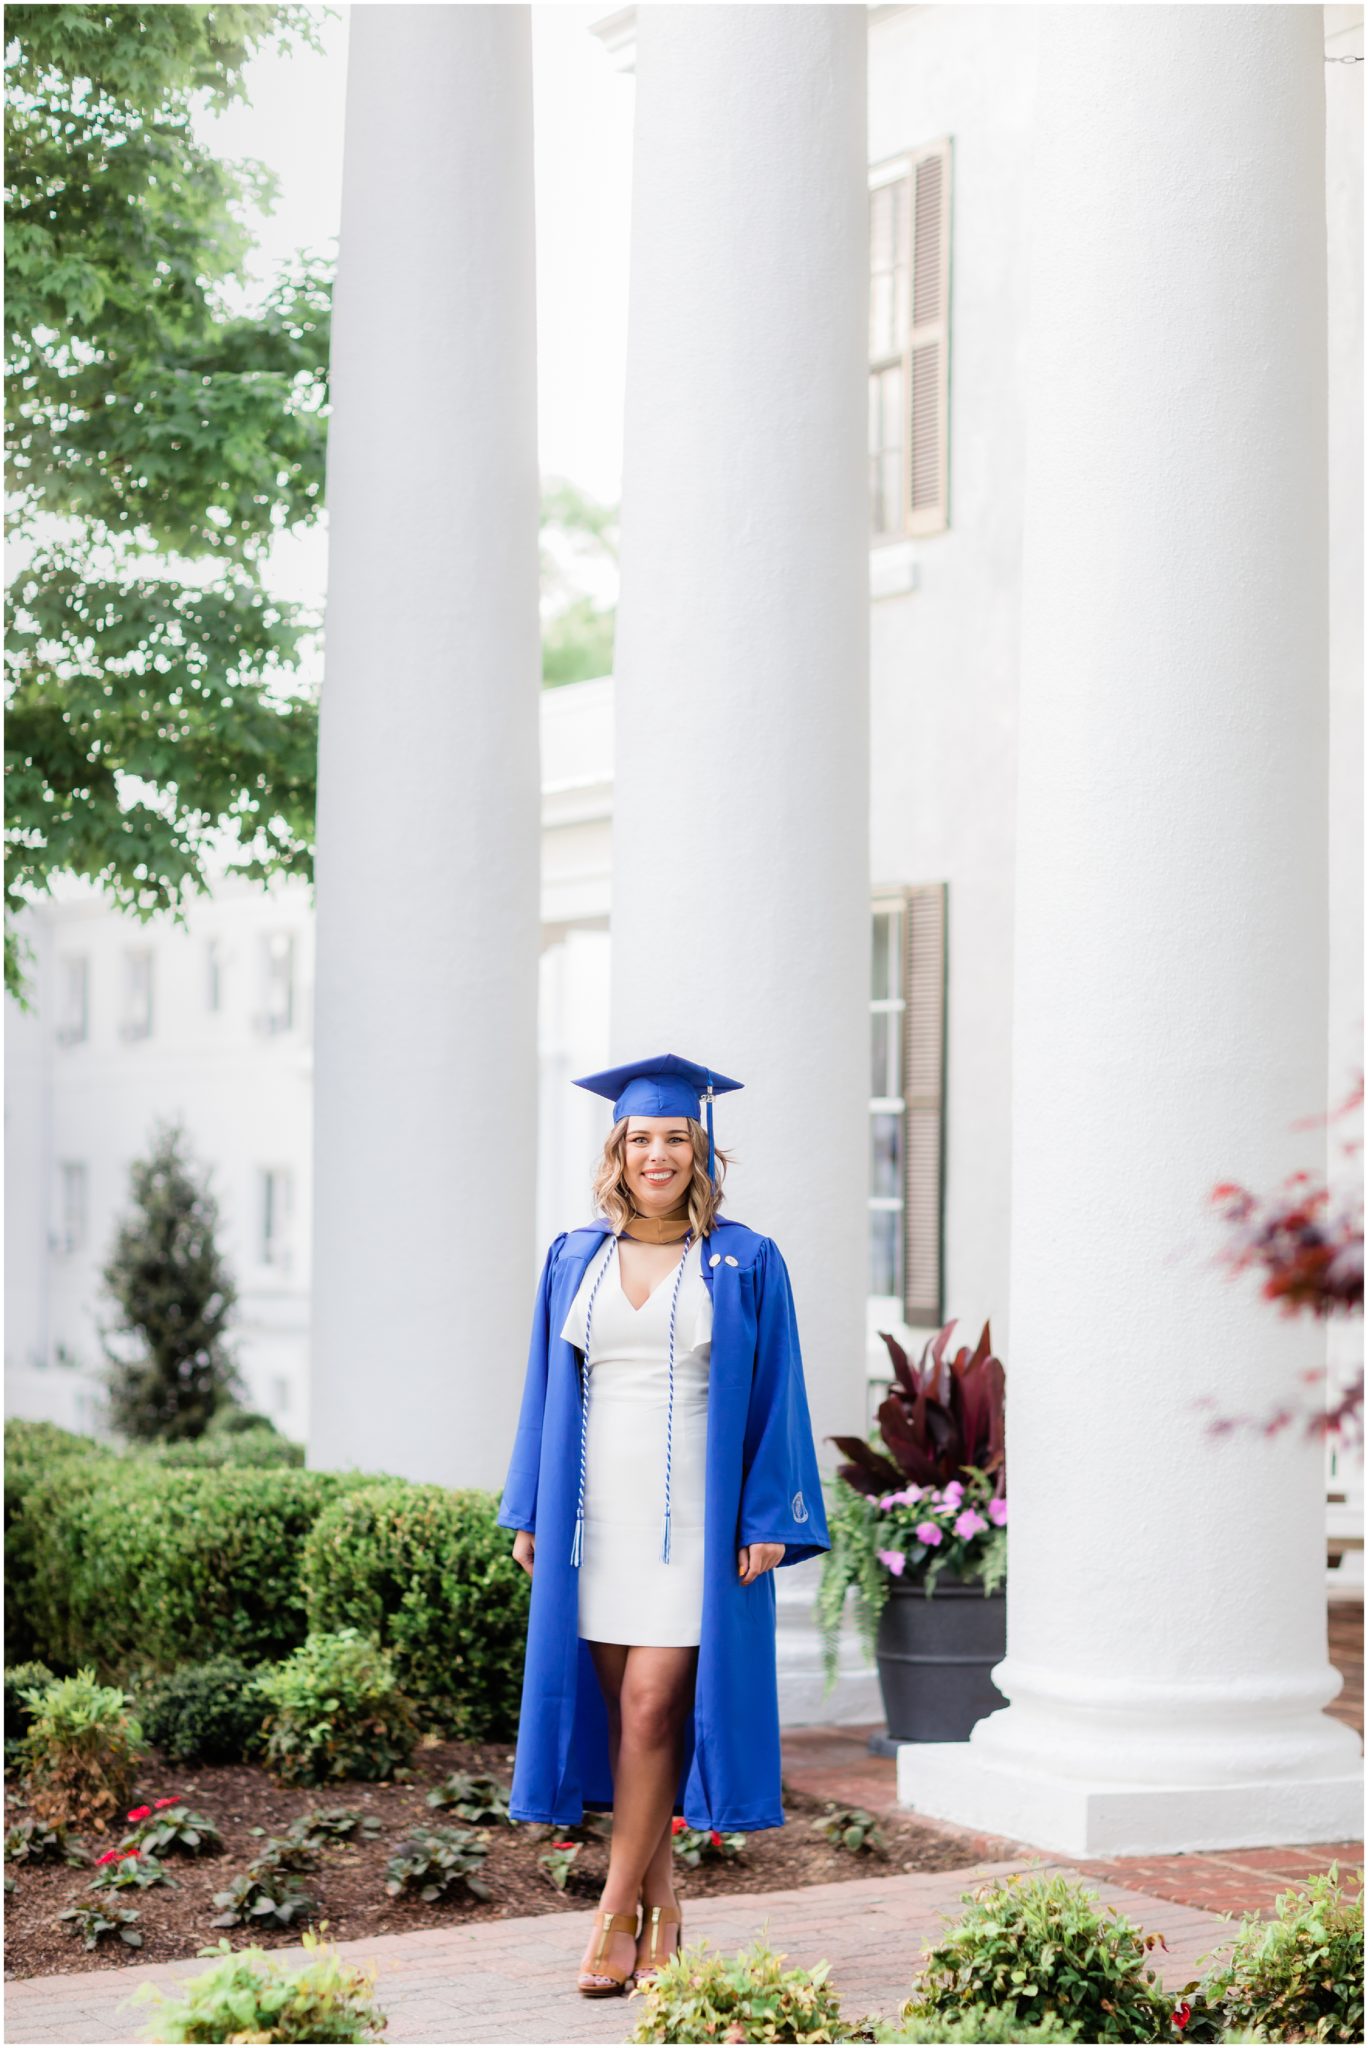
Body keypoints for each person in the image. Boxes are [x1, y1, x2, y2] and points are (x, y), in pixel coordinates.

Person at [496, 1052, 831, 1997]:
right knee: (625, 1725)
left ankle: (609, 1914)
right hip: (595, 1523)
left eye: (675, 1138)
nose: (658, 1154)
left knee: (653, 1710)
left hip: (692, 1528)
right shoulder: (576, 1256)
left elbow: (779, 1395)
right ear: (618, 1149)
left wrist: (767, 1514)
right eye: (642, 1138)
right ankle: (665, 1914)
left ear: (701, 1148)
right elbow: (540, 1393)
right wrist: (527, 1508)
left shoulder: (745, 1259)